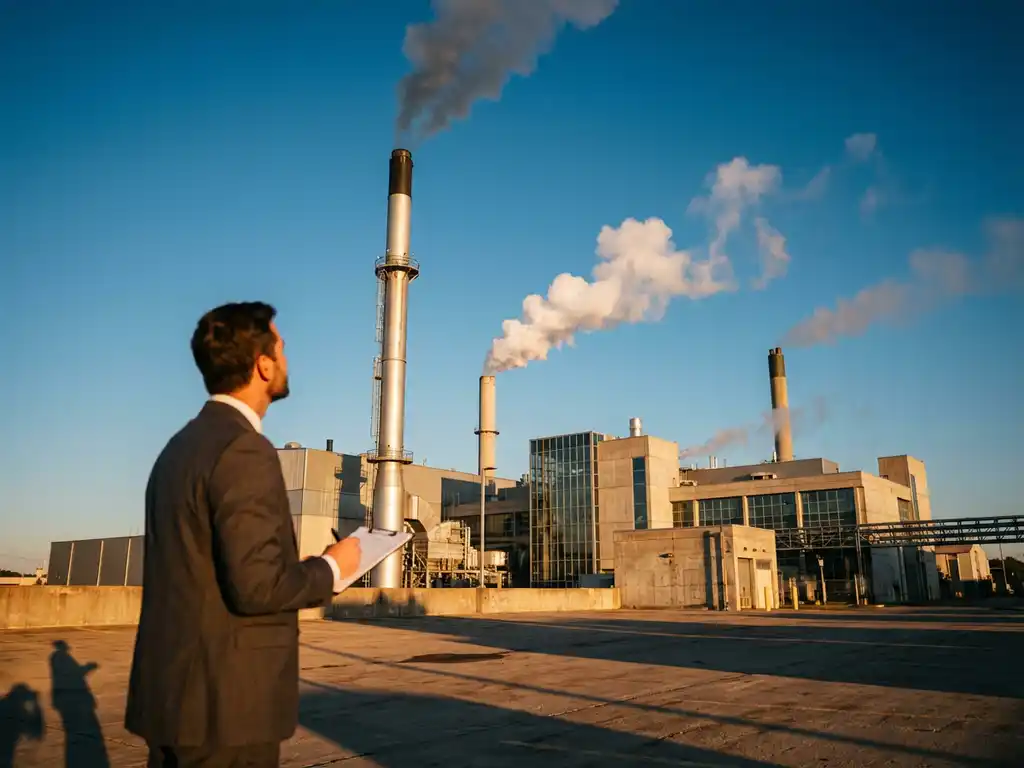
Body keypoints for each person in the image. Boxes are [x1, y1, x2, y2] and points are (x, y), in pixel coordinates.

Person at [125, 301, 361, 767]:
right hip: (226, 710)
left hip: (174, 702)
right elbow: (257, 586)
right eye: (282, 348)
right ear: (263, 364)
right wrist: (334, 567)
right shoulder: (245, 450)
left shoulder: (178, 449)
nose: (288, 360)